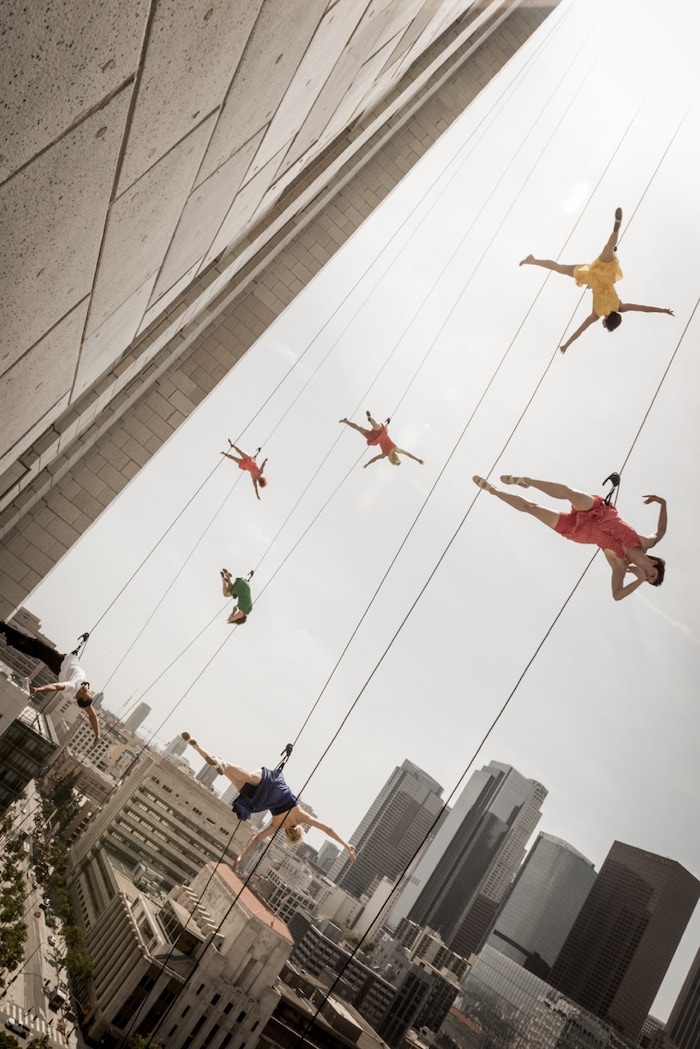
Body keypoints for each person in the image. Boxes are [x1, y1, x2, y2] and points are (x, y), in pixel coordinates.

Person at [471, 475, 667, 601]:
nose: (647, 576)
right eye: (651, 575)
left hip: (580, 530)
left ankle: (493, 490)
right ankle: (525, 481)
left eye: (648, 580)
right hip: (599, 511)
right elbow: (660, 531)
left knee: (532, 509)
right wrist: (663, 502)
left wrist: (639, 580)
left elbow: (617, 594)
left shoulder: (620, 565)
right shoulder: (645, 542)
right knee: (570, 493)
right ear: (655, 564)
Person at [181, 733, 356, 867]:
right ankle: (202, 752)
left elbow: (328, 828)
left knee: (246, 775)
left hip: (273, 784)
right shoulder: (277, 825)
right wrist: (241, 856)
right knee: (231, 778)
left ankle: (211, 756)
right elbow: (257, 839)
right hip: (259, 799)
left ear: (299, 829)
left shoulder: (301, 816)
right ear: (287, 834)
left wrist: (347, 844)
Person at [519, 208, 674, 352]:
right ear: (607, 321)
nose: (603, 326)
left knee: (608, 249)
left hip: (606, 274)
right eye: (606, 326)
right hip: (588, 276)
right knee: (559, 269)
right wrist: (566, 345)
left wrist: (662, 310)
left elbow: (642, 308)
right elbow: (580, 330)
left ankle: (616, 229)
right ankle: (533, 261)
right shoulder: (596, 314)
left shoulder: (619, 307)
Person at [0, 622, 100, 742]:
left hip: (59, 662)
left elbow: (55, 686)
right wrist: (97, 735)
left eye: (85, 693)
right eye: (88, 692)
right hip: (62, 665)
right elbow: (92, 715)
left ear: (79, 696)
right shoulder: (82, 698)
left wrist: (38, 689)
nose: (87, 690)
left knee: (36, 644)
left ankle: (4, 628)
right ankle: (12, 640)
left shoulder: (73, 686)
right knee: (37, 652)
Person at [339, 411, 424, 468]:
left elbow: (408, 454)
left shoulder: (395, 449)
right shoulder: (385, 454)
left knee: (376, 425)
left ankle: (370, 419)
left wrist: (418, 460)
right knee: (359, 429)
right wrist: (368, 464)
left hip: (381, 434)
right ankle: (346, 421)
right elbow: (375, 459)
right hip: (375, 439)